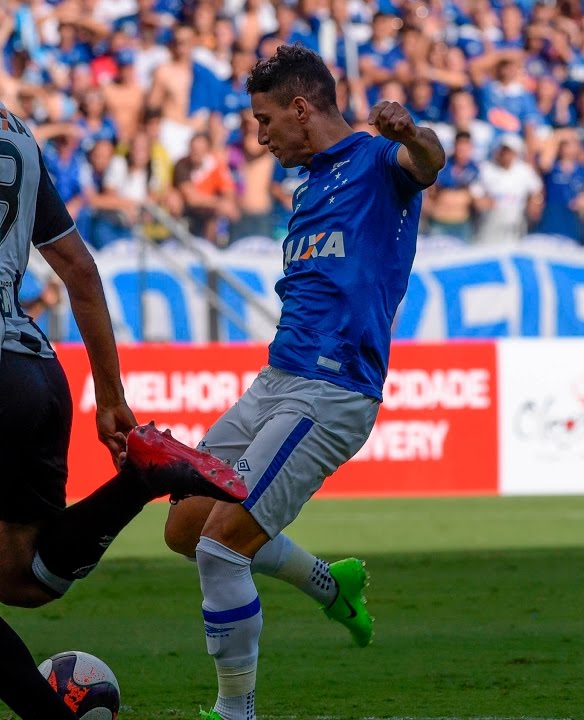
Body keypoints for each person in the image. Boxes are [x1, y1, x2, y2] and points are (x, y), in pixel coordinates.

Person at [0, 1, 247, 718]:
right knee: (18, 576)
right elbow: (80, 270)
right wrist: (110, 396)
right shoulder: (13, 126)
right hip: (39, 371)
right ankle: (142, 477)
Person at [160, 46, 445, 720]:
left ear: (301, 107)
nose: (258, 135)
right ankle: (331, 584)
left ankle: (236, 712)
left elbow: (428, 162)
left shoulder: (379, 161)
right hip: (275, 381)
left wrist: (411, 134)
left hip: (332, 389)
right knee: (183, 525)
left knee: (219, 549)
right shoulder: (309, 183)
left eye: (264, 120)